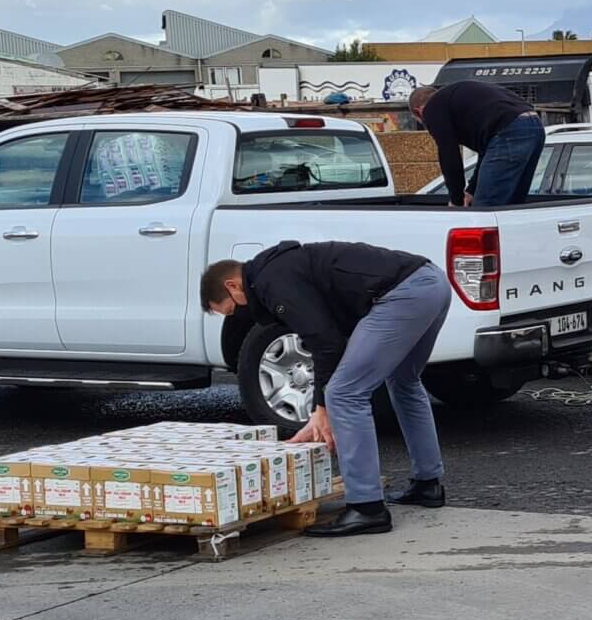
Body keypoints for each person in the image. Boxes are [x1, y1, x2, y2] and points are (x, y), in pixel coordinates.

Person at [200, 241, 451, 536]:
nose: (235, 316)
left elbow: (325, 342)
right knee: (403, 381)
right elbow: (335, 331)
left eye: (230, 310)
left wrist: (321, 410)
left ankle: (367, 508)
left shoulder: (272, 282)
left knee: (344, 394)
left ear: (233, 285)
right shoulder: (281, 268)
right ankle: (428, 484)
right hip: (432, 283)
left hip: (404, 295)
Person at [407, 80, 546, 208]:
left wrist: (456, 201)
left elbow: (449, 156)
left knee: (484, 207)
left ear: (418, 111)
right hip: (535, 126)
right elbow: (487, 153)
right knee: (512, 205)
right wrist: (471, 191)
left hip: (510, 129)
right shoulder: (457, 101)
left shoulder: (432, 108)